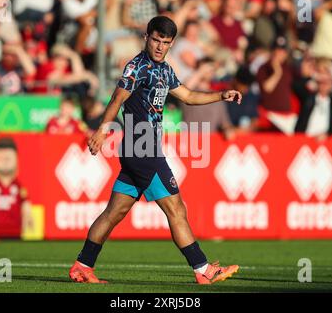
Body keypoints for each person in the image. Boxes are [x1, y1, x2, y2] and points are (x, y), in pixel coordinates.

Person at [69, 16, 242, 285]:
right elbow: (117, 98)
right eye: (156, 40)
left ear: (171, 44)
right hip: (142, 149)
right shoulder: (136, 67)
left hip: (142, 149)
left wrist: (221, 95)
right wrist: (102, 131)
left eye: (166, 42)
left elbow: (188, 96)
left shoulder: (164, 69)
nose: (160, 46)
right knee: (176, 208)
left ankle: (82, 265)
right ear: (146, 38)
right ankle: (203, 268)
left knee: (114, 212)